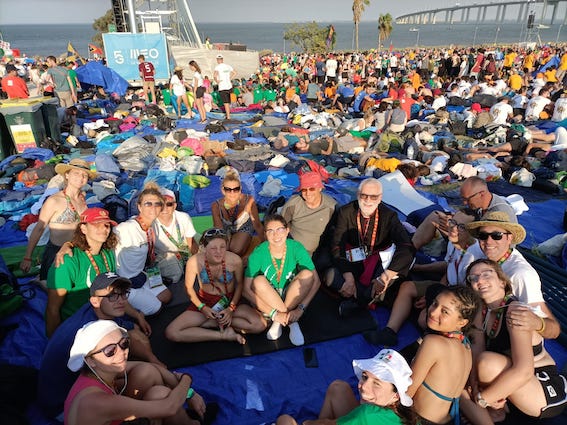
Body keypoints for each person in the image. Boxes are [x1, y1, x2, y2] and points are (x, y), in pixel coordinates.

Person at [38, 272, 161, 420]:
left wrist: (151, 358)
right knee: (148, 378)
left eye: (123, 294)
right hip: (63, 406)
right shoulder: (88, 332)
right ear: (95, 301)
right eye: (112, 296)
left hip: (70, 389)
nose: (121, 301)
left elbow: (131, 331)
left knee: (152, 376)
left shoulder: (98, 312)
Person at [461, 260, 567, 423]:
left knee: (486, 364)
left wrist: (482, 400)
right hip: (510, 384)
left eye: (486, 274)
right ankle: (493, 414)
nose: (479, 281)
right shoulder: (481, 312)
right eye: (473, 278)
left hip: (540, 386)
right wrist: (474, 386)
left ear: (502, 281)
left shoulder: (515, 311)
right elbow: (477, 350)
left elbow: (523, 371)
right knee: (464, 383)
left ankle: (489, 412)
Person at [365, 208, 478, 346]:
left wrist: (435, 299)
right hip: (446, 287)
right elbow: (449, 268)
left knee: (423, 319)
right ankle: (390, 331)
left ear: (472, 231)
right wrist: (421, 270)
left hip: (459, 297)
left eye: (461, 227)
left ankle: (429, 343)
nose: (454, 229)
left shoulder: (473, 258)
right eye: (453, 223)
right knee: (407, 287)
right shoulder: (453, 242)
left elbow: (467, 295)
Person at [64, 320, 208, 425]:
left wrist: (190, 393)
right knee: (161, 395)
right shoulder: (97, 402)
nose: (122, 353)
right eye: (110, 350)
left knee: (148, 374)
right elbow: (169, 407)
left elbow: (148, 366)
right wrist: (186, 379)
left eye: (124, 343)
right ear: (90, 360)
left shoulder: (97, 372)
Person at [462, 212, 560, 340]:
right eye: (483, 235)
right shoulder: (482, 259)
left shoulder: (521, 274)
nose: (488, 241)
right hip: (482, 329)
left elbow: (554, 330)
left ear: (509, 238)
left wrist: (537, 323)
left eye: (497, 235)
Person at [324, 178, 414, 316]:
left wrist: (386, 275)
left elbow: (406, 245)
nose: (368, 200)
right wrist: (348, 277)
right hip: (353, 257)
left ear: (380, 198)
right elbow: (337, 245)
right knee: (331, 276)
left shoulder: (389, 216)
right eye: (364, 195)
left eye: (373, 197)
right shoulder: (346, 212)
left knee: (390, 277)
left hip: (379, 260)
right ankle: (367, 298)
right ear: (358, 194)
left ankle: (358, 298)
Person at [165, 228, 265, 344]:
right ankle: (222, 335)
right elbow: (188, 288)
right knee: (171, 332)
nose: (219, 252)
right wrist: (202, 307)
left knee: (259, 325)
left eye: (222, 247)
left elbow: (240, 285)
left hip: (229, 301)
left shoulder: (235, 260)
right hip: (205, 303)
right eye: (213, 248)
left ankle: (211, 323)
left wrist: (231, 308)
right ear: (203, 248)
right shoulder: (194, 262)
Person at [276, 348, 416, 425]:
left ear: (395, 395)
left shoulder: (367, 414)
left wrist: (307, 423)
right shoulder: (406, 416)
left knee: (285, 421)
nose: (363, 387)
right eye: (365, 377)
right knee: (338, 388)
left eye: (377, 383)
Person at [407, 285, 481, 425]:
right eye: (435, 303)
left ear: (462, 322)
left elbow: (409, 390)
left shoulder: (433, 343)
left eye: (445, 311)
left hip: (420, 419)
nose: (433, 312)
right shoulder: (465, 345)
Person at [244, 214, 320, 346]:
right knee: (258, 281)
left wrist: (300, 309)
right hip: (270, 298)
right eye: (271, 231)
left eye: (280, 229)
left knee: (307, 275)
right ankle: (290, 321)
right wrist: (274, 313)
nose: (276, 235)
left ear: (287, 230)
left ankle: (282, 320)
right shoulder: (258, 253)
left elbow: (316, 281)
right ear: (265, 234)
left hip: (292, 297)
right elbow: (245, 290)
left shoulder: (296, 247)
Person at [46, 208, 118, 337]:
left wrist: (136, 315)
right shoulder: (67, 261)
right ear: (83, 229)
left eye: (106, 225)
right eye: (96, 224)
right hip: (80, 326)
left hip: (105, 316)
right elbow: (53, 309)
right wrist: (54, 343)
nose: (104, 229)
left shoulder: (108, 253)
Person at [20, 158, 95, 282]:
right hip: (56, 251)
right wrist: (28, 257)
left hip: (77, 250)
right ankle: (39, 281)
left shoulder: (83, 198)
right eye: (76, 173)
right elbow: (39, 228)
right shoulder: (54, 201)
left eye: (84, 175)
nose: (80, 178)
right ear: (67, 175)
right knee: (54, 288)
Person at [411, 176, 517, 251]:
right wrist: (451, 220)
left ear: (482, 194)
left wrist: (455, 227)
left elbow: (489, 242)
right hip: (474, 238)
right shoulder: (482, 203)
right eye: (463, 199)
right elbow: (468, 217)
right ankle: (409, 249)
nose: (464, 203)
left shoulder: (499, 213)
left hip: (488, 248)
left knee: (445, 223)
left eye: (467, 199)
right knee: (436, 216)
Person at [113, 183, 173, 316]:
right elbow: (102, 241)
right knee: (156, 308)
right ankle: (126, 310)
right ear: (139, 206)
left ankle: (142, 300)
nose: (153, 207)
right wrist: (68, 246)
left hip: (140, 274)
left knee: (166, 297)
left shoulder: (152, 226)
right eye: (148, 204)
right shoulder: (126, 228)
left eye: (157, 204)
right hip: (124, 282)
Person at [211, 168, 264, 258]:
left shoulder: (249, 200)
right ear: (223, 190)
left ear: (240, 189)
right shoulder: (216, 206)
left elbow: (257, 225)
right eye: (228, 189)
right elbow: (219, 229)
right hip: (226, 230)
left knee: (236, 251)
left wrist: (266, 245)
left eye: (236, 189)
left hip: (243, 228)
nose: (232, 193)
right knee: (224, 252)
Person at [281, 172, 336, 257]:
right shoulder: (293, 204)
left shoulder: (331, 207)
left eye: (312, 189)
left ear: (320, 188)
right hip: (295, 251)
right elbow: (280, 225)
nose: (308, 193)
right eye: (304, 190)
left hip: (320, 252)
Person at [154, 188, 198, 284]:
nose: (164, 208)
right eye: (160, 204)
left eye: (169, 204)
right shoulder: (151, 223)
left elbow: (191, 244)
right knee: (175, 271)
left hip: (184, 249)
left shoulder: (184, 217)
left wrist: (194, 260)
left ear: (175, 206)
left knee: (208, 247)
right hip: (164, 255)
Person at [213, 54, 236, 120]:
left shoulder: (217, 67)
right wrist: (229, 78)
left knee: (226, 103)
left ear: (217, 60)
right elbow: (235, 73)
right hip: (229, 86)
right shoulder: (228, 66)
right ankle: (229, 114)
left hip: (223, 86)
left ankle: (228, 117)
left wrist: (217, 81)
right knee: (228, 102)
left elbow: (214, 75)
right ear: (222, 59)